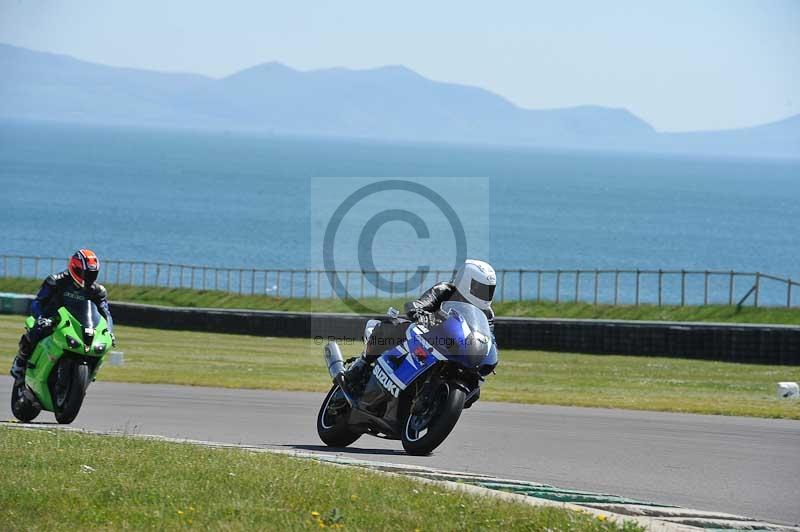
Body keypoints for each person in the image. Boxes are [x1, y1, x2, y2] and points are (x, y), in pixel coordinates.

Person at [344, 259, 496, 389]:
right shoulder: (445, 290)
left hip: (456, 349)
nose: (485, 294)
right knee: (393, 327)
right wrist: (418, 311)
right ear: (466, 282)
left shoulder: (487, 314)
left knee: (475, 387)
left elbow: (487, 337)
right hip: (427, 334)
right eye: (481, 288)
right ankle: (362, 364)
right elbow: (423, 302)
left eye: (489, 290)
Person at [10, 249, 115, 380]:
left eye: (91, 274)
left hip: (78, 323)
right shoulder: (55, 281)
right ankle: (20, 360)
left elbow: (106, 313)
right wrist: (42, 318)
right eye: (85, 273)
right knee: (36, 329)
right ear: (74, 268)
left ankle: (89, 374)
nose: (87, 277)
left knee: (98, 346)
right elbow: (38, 302)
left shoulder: (98, 291)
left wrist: (110, 331)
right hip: (52, 318)